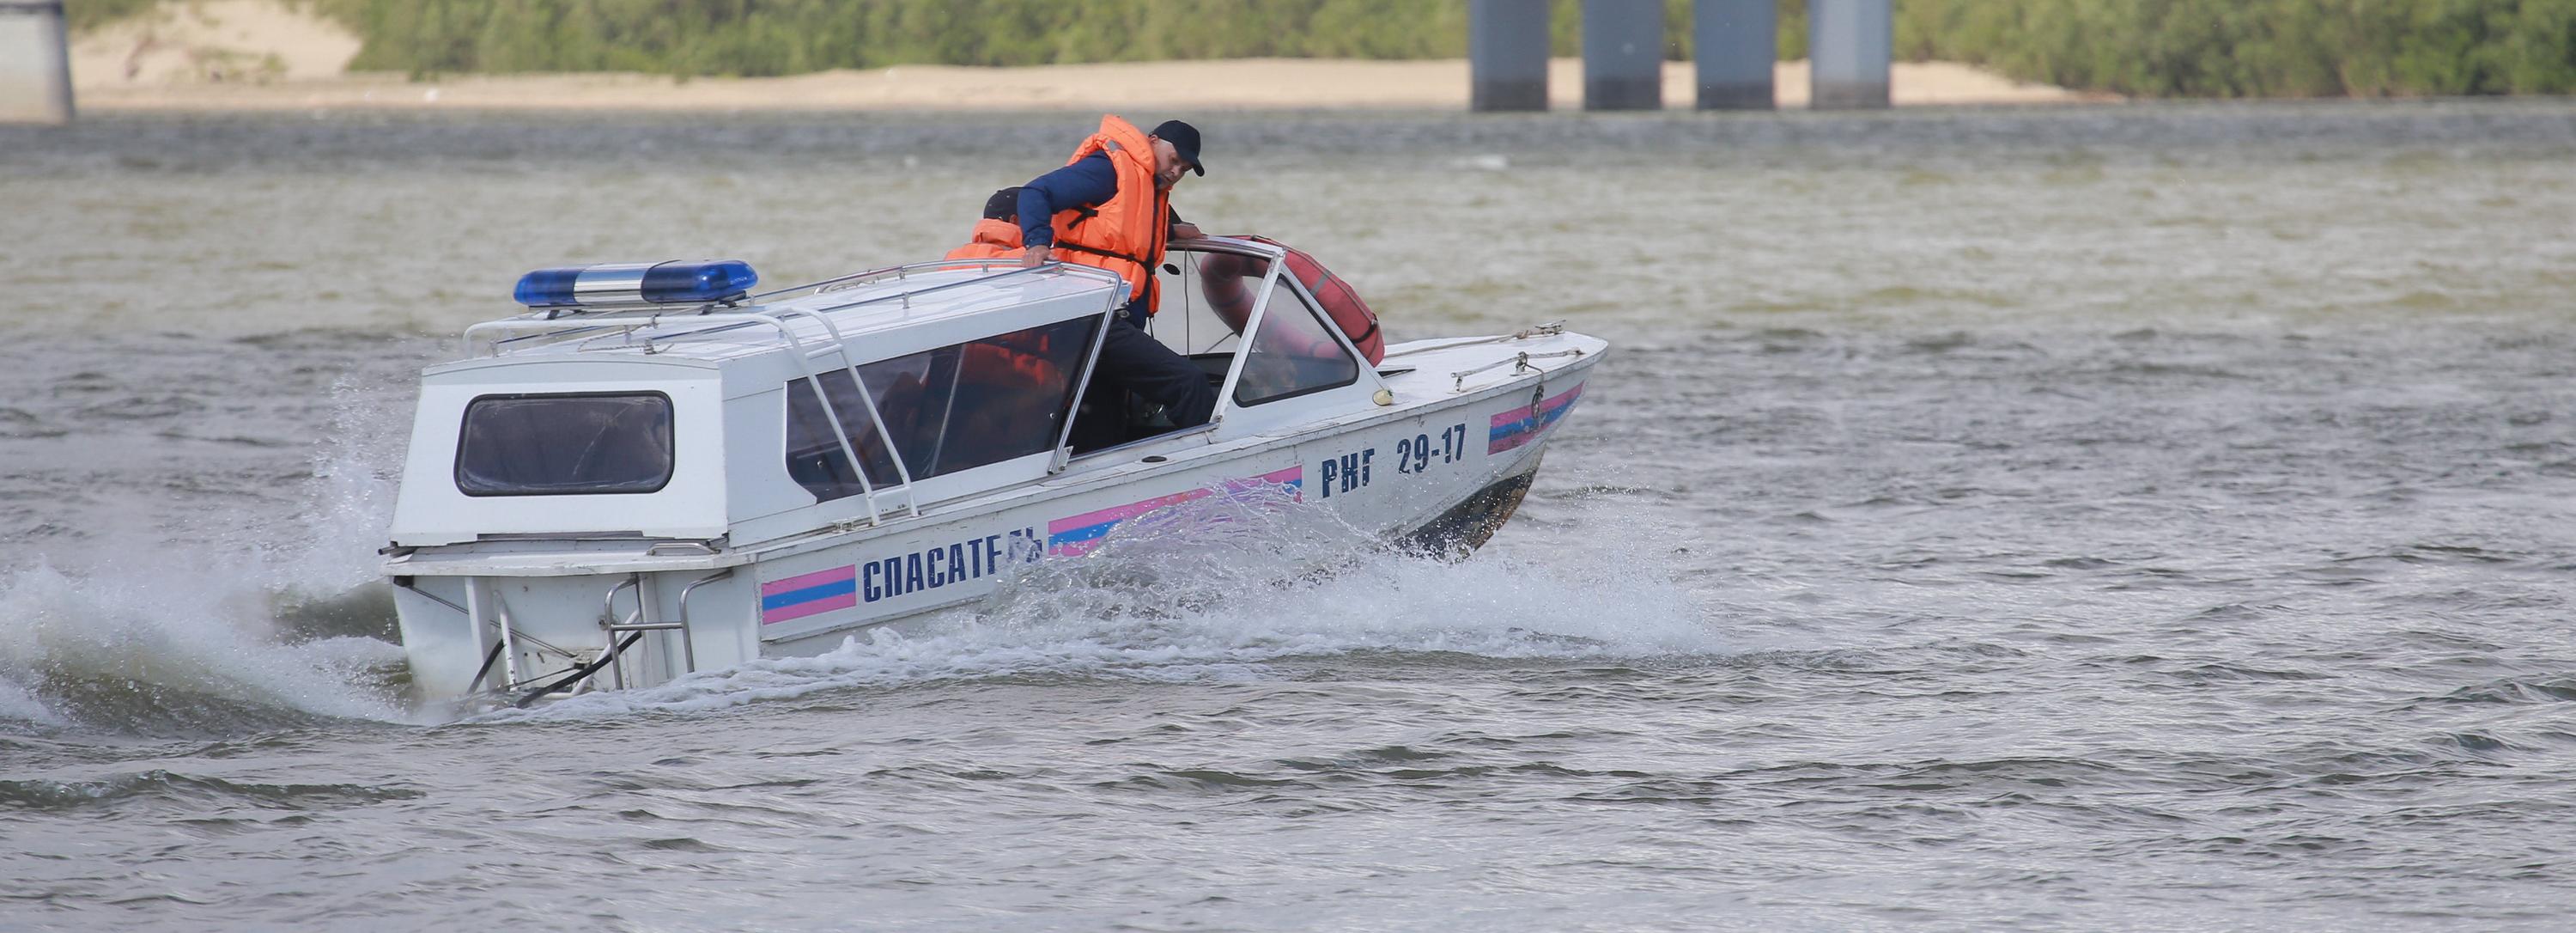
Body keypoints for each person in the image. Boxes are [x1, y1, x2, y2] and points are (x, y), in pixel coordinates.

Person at [999, 115, 1215, 432]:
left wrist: (1171, 229)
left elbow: (1120, 228)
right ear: (1153, 142)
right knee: (1189, 383)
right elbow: (1035, 192)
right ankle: (1213, 465)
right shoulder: (1109, 169)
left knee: (1105, 422)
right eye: (1175, 161)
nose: (1176, 172)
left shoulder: (1148, 188)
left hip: (1112, 318)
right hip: (1093, 317)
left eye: (1183, 169)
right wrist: (1037, 243)